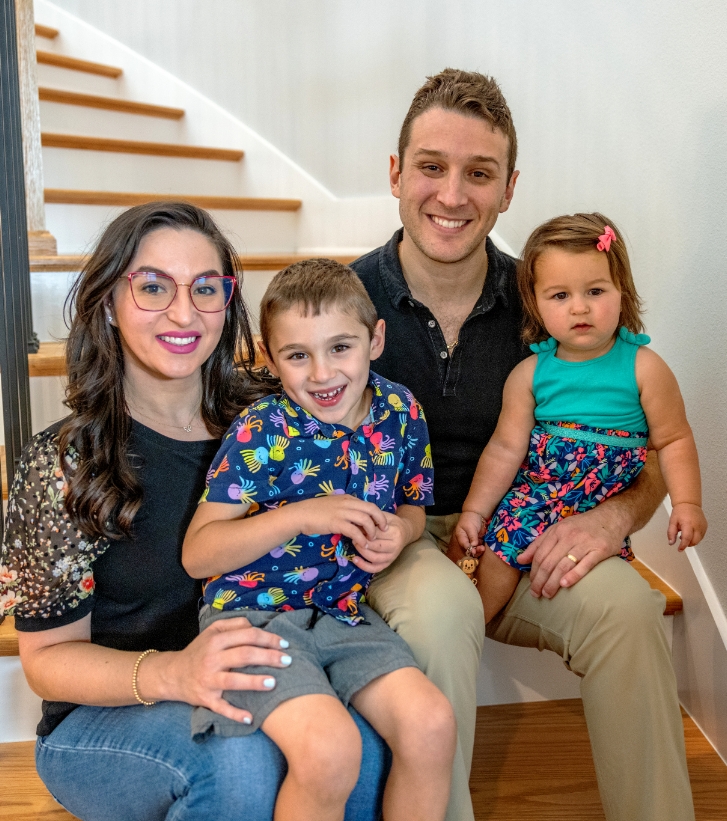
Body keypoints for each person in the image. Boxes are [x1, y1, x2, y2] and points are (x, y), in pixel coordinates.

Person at [351, 68, 696, 821]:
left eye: (478, 173)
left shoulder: (555, 298)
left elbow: (647, 446)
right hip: (392, 539)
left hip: (520, 532)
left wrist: (612, 518)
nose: (451, 195)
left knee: (629, 612)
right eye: (430, 167)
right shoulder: (341, 302)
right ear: (393, 173)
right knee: (442, 610)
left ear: (508, 188)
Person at [0, 202, 389, 821]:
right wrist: (176, 674)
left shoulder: (274, 418)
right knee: (238, 763)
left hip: (273, 670)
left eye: (205, 289)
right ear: (108, 302)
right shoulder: (66, 462)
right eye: (153, 287)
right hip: (112, 714)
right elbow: (47, 662)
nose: (183, 314)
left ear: (228, 304)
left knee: (364, 755)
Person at [183, 259, 456, 821]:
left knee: (431, 724)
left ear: (375, 339)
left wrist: (400, 534)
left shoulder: (401, 411)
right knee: (330, 749)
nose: (323, 374)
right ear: (269, 357)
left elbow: (412, 505)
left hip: (344, 615)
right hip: (251, 618)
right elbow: (198, 554)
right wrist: (300, 516)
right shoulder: (264, 429)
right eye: (298, 355)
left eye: (340, 348)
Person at [450, 213, 707, 622]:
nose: (580, 307)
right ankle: (466, 631)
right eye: (560, 296)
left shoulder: (644, 368)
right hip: (537, 498)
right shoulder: (530, 374)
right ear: (535, 303)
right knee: (496, 559)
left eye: (595, 290)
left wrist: (687, 503)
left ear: (622, 291)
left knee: (606, 594)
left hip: (602, 507)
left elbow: (673, 440)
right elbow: (504, 450)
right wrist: (474, 512)